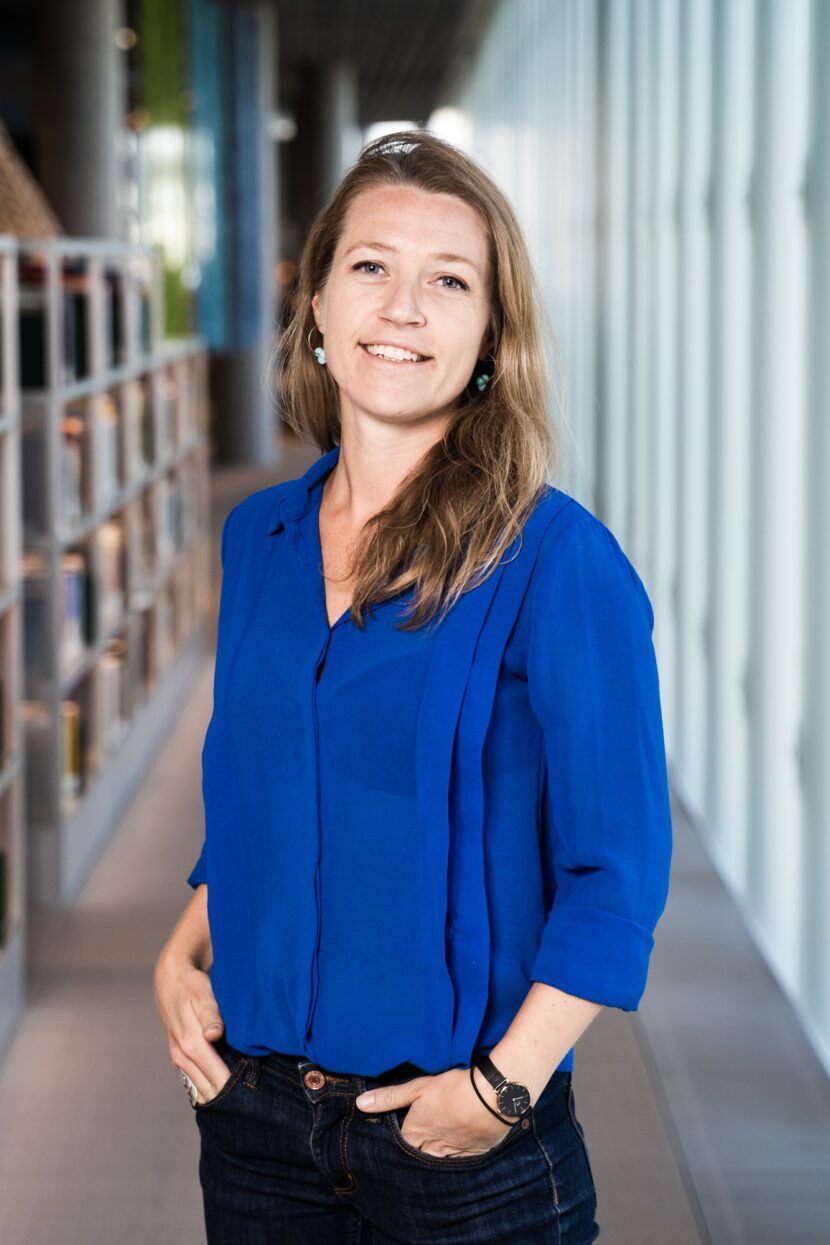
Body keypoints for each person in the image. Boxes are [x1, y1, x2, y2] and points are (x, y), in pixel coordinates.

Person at [153, 130, 673, 1245]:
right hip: (252, 1127)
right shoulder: (258, 538)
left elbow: (616, 873)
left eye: (448, 282)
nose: (401, 307)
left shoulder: (557, 562)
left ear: (489, 338)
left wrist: (500, 1091)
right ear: (317, 305)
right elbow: (265, 786)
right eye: (371, 267)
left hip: (464, 1141)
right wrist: (182, 947)